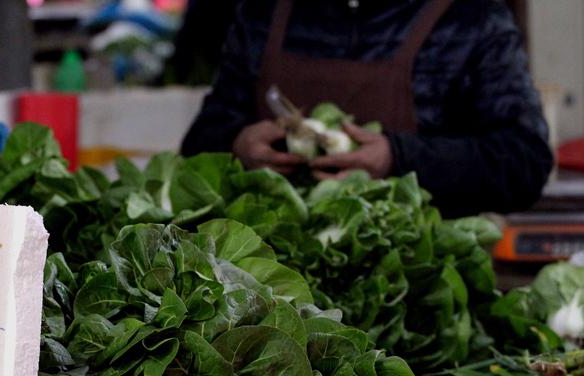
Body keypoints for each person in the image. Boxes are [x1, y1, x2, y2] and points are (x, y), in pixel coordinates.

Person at [180, 0, 553, 217]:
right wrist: (237, 145)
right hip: (270, 281)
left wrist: (398, 157)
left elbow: (524, 160)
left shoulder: (472, 19)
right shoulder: (264, 12)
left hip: (411, 282)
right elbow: (197, 144)